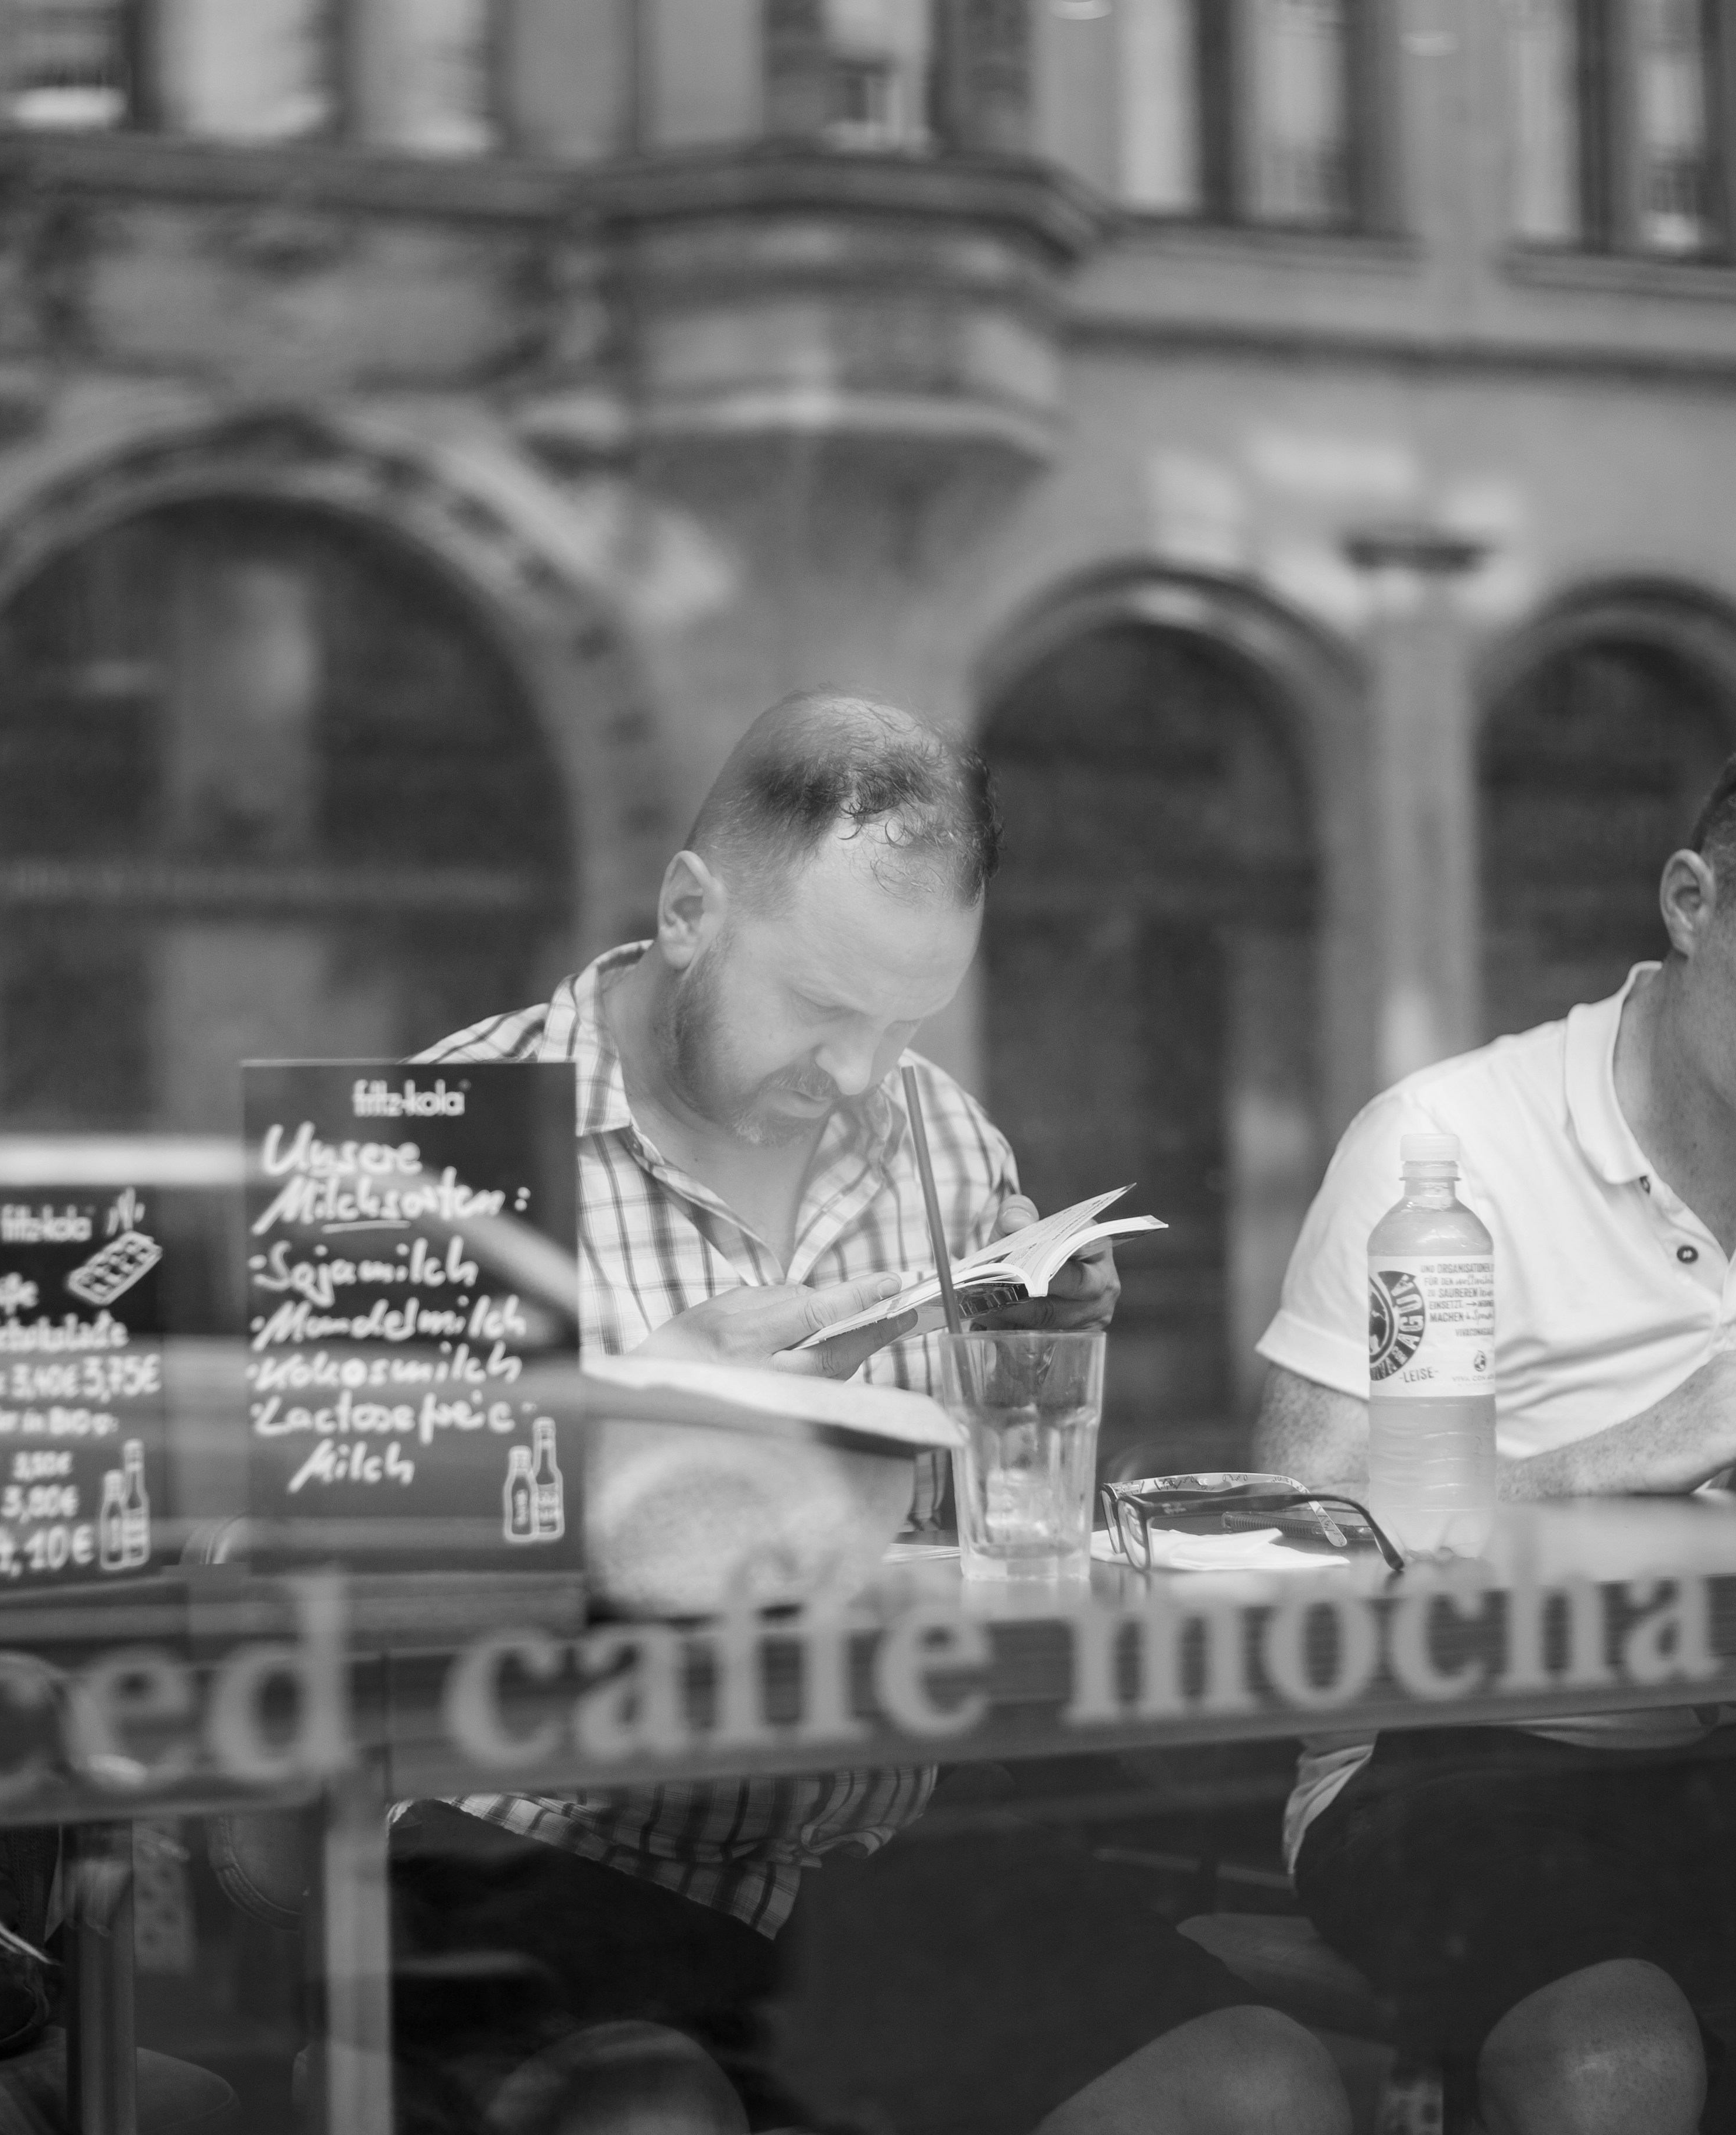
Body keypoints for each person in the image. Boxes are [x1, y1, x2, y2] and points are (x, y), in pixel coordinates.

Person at [397, 689, 1351, 2135]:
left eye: (906, 1021)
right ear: (689, 910)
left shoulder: (943, 1131)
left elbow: (979, 1539)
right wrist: (628, 1434)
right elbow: (321, 1597)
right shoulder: (438, 1144)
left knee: (1257, 2088)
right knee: (644, 2118)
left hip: (875, 1852)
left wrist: (1030, 1374)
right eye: (827, 1008)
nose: (859, 1078)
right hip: (540, 1851)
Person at [1252, 716, 1736, 2134]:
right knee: (1616, 2055)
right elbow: (1290, 1527)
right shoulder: (1448, 1147)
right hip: (1470, 1749)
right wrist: (1613, 1460)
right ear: (1691, 905)